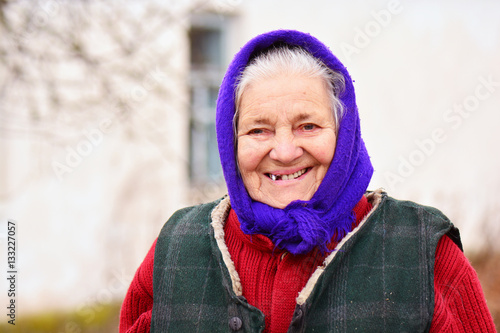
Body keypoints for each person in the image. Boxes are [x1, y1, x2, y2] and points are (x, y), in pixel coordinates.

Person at [119, 30, 495, 332]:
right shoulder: (176, 250)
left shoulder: (421, 252)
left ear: (343, 135)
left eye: (308, 126)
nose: (284, 151)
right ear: (231, 143)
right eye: (258, 130)